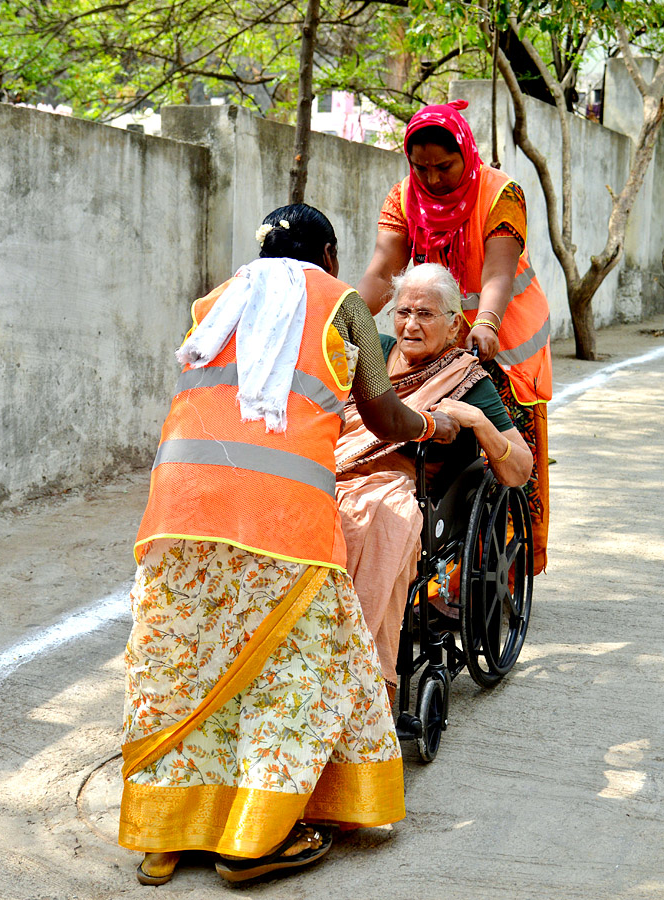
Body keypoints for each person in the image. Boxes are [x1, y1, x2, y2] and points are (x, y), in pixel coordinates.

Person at [121, 204, 460, 886]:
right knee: (295, 674)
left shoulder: (217, 301)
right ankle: (256, 839)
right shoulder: (341, 303)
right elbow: (381, 412)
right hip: (283, 520)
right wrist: (436, 426)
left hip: (181, 508)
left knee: (187, 666)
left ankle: (168, 831)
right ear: (330, 255)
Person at [357, 99, 552, 575]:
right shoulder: (403, 198)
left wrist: (484, 323)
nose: (433, 179)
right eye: (420, 167)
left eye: (443, 167)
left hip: (501, 340)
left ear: (466, 152)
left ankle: (497, 569)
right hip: (435, 335)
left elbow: (498, 273)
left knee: (503, 449)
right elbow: (382, 272)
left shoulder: (500, 193)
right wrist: (341, 320)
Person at [336, 263, 532, 699]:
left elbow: (520, 469)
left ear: (454, 325)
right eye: (403, 311)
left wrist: (479, 422)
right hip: (338, 468)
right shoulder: (372, 352)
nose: (410, 324)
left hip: (405, 485)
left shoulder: (468, 380)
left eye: (425, 314)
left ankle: (361, 674)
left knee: (384, 518)